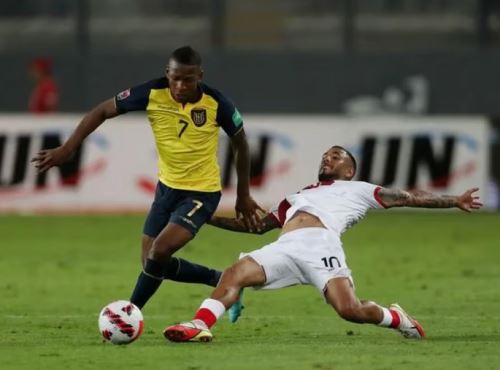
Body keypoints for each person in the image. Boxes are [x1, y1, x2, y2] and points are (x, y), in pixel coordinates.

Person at [163, 145, 483, 342]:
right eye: (325, 156)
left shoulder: (358, 189)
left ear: (349, 169)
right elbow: (257, 226)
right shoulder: (296, 197)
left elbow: (408, 197)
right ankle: (198, 325)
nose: (327, 158)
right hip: (285, 247)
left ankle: (397, 318)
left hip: (322, 247)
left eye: (335, 156)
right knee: (234, 272)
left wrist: (454, 199)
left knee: (350, 310)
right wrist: (206, 217)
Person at [31, 46, 264, 313]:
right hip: (166, 189)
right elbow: (101, 111)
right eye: (175, 77)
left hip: (202, 193)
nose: (180, 85)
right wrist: (67, 149)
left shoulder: (217, 103)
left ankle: (129, 313)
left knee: (160, 251)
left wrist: (243, 195)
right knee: (151, 263)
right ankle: (222, 279)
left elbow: (241, 143)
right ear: (167, 73)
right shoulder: (152, 93)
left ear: (200, 75)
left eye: (188, 79)